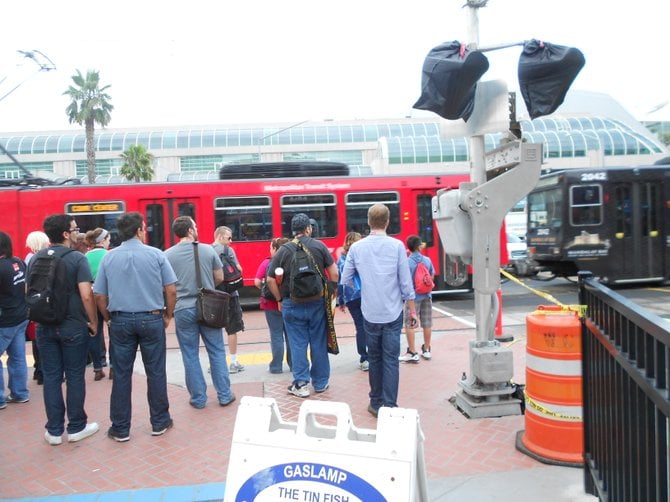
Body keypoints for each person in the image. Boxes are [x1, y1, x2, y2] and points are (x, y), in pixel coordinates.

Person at [94, 212, 177, 442]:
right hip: (152, 318)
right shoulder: (156, 255)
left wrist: (108, 318)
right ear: (140, 230)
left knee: (121, 374)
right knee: (156, 371)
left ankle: (120, 429)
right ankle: (160, 422)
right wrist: (168, 314)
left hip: (120, 321)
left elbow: (99, 294)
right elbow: (171, 290)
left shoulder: (108, 258)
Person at [341, 203, 417, 417]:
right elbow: (405, 284)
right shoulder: (397, 246)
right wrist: (412, 312)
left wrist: (365, 285)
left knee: (374, 358)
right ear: (387, 221)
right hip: (393, 313)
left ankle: (375, 403)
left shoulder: (356, 248)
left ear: (368, 222)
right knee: (391, 359)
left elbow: (345, 278)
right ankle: (390, 406)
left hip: (369, 312)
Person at [34, 214, 100, 445]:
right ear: (65, 234)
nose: (76, 232)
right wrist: (93, 321)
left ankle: (53, 431)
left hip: (45, 326)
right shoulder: (77, 259)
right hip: (72, 326)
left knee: (52, 377)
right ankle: (76, 427)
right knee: (74, 376)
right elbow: (86, 294)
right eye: (74, 228)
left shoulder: (36, 258)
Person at [164, 216, 236, 409]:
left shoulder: (167, 255)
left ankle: (198, 398)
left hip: (182, 309)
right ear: (189, 231)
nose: (197, 229)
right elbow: (220, 277)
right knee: (217, 350)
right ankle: (224, 395)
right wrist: (206, 284)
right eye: (195, 226)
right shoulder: (207, 250)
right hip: (208, 306)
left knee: (190, 354)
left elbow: (166, 286)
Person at [266, 213, 338, 398]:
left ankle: (301, 384)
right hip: (317, 303)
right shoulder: (319, 246)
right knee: (318, 343)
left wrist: (280, 300)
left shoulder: (284, 250)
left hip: (292, 303)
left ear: (293, 231)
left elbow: (270, 279)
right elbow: (334, 273)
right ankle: (321, 383)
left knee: (297, 344)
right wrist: (331, 293)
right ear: (309, 228)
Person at [0, 231, 30, 410]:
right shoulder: (17, 262)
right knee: (18, 357)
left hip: (4, 320)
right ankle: (20, 393)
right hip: (20, 316)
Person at [254, 237, 291, 374]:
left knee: (276, 335)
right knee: (290, 335)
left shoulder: (266, 263)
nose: (269, 249)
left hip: (270, 305)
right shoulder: (290, 261)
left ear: (275, 249)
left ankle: (276, 367)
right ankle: (293, 364)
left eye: (271, 247)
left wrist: (266, 288)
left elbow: (257, 282)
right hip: (288, 303)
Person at [212, 226, 245, 374]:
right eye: (228, 238)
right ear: (220, 237)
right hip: (231, 294)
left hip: (213, 296)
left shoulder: (207, 250)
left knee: (214, 329)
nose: (231, 241)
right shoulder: (228, 251)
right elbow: (239, 269)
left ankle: (216, 363)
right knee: (232, 329)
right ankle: (233, 362)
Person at [400, 235, 435, 363]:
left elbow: (404, 281)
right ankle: (426, 350)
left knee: (409, 324)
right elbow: (431, 276)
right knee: (427, 323)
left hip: (412, 298)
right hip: (427, 295)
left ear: (409, 248)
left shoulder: (407, 262)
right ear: (419, 246)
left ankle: (412, 352)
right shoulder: (427, 260)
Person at [336, 231, 369, 371]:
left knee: (360, 327)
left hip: (351, 298)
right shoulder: (363, 257)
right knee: (370, 325)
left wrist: (341, 300)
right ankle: (373, 355)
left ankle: (364, 358)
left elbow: (340, 282)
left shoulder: (342, 259)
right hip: (366, 295)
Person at [84, 228, 110, 381]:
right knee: (114, 332)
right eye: (108, 239)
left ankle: (98, 367)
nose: (109, 242)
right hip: (108, 297)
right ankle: (113, 367)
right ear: (102, 241)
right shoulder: (109, 255)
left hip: (92, 297)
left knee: (95, 332)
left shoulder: (85, 256)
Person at [24, 230, 50, 385]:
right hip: (43, 301)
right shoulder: (41, 258)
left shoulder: (28, 259)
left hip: (33, 302)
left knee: (35, 338)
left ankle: (38, 369)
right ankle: (42, 370)